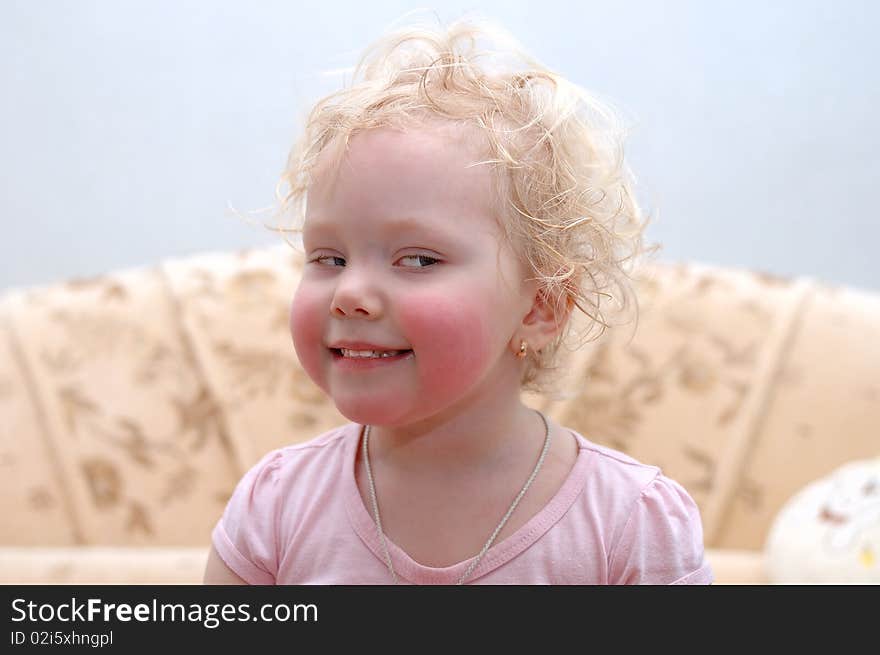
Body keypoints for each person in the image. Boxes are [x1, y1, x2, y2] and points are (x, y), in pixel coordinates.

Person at [204, 15, 713, 585]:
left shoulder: (628, 526)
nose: (349, 294)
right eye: (329, 258)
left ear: (540, 307)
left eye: (418, 259)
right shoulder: (274, 511)